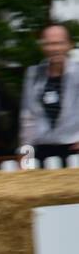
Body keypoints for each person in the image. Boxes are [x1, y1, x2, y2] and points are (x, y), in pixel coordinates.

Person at [19, 23, 79, 165]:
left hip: (73, 149)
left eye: (59, 43)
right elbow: (27, 119)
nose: (55, 49)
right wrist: (25, 155)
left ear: (69, 45)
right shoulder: (33, 74)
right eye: (49, 44)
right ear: (43, 47)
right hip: (41, 150)